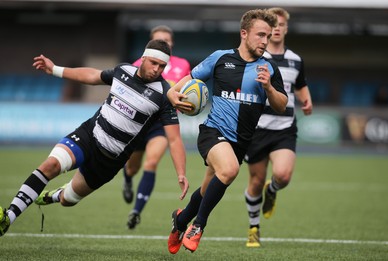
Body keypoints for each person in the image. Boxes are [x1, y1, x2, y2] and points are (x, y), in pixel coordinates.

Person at [0, 39, 189, 237]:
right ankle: (9, 216)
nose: (157, 69)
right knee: (51, 166)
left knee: (68, 200)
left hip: (109, 161)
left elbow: (174, 139)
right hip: (89, 135)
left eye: (162, 66)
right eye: (154, 63)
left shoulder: (165, 95)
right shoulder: (122, 71)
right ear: (143, 58)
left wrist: (181, 173)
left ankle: (55, 195)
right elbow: (92, 75)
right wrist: (54, 69)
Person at [166, 9, 288, 254]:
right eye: (260, 35)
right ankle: (198, 225)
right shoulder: (220, 58)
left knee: (206, 189)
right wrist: (171, 94)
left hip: (241, 141)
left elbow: (282, 105)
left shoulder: (269, 68)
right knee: (229, 169)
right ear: (244, 33)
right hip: (213, 131)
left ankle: (180, 221)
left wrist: (269, 89)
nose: (265, 41)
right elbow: (183, 83)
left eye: (268, 36)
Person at [243, 7, 313, 248]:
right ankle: (254, 227)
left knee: (282, 175)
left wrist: (307, 99)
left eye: (281, 24)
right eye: (274, 25)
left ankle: (272, 190)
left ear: (285, 28)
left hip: (285, 127)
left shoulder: (296, 60)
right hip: (258, 128)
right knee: (255, 181)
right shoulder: (256, 58)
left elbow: (300, 84)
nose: (277, 29)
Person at [123, 25, 191, 230]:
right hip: (139, 123)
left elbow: (187, 89)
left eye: (167, 41)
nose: (164, 43)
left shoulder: (182, 65)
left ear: (172, 44)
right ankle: (127, 179)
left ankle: (136, 211)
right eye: (159, 40)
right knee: (132, 168)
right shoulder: (139, 64)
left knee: (151, 162)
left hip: (163, 124)